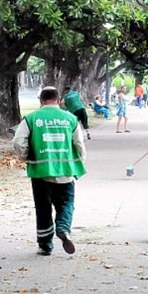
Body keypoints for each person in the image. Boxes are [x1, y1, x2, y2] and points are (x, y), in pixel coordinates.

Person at [12, 86, 86, 256]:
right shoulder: (71, 118)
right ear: (59, 100)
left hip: (40, 172)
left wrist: (24, 157)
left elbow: (18, 141)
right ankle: (63, 228)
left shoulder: (31, 118)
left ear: (41, 100)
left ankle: (45, 245)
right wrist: (79, 162)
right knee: (66, 204)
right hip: (65, 171)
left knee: (43, 208)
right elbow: (79, 144)